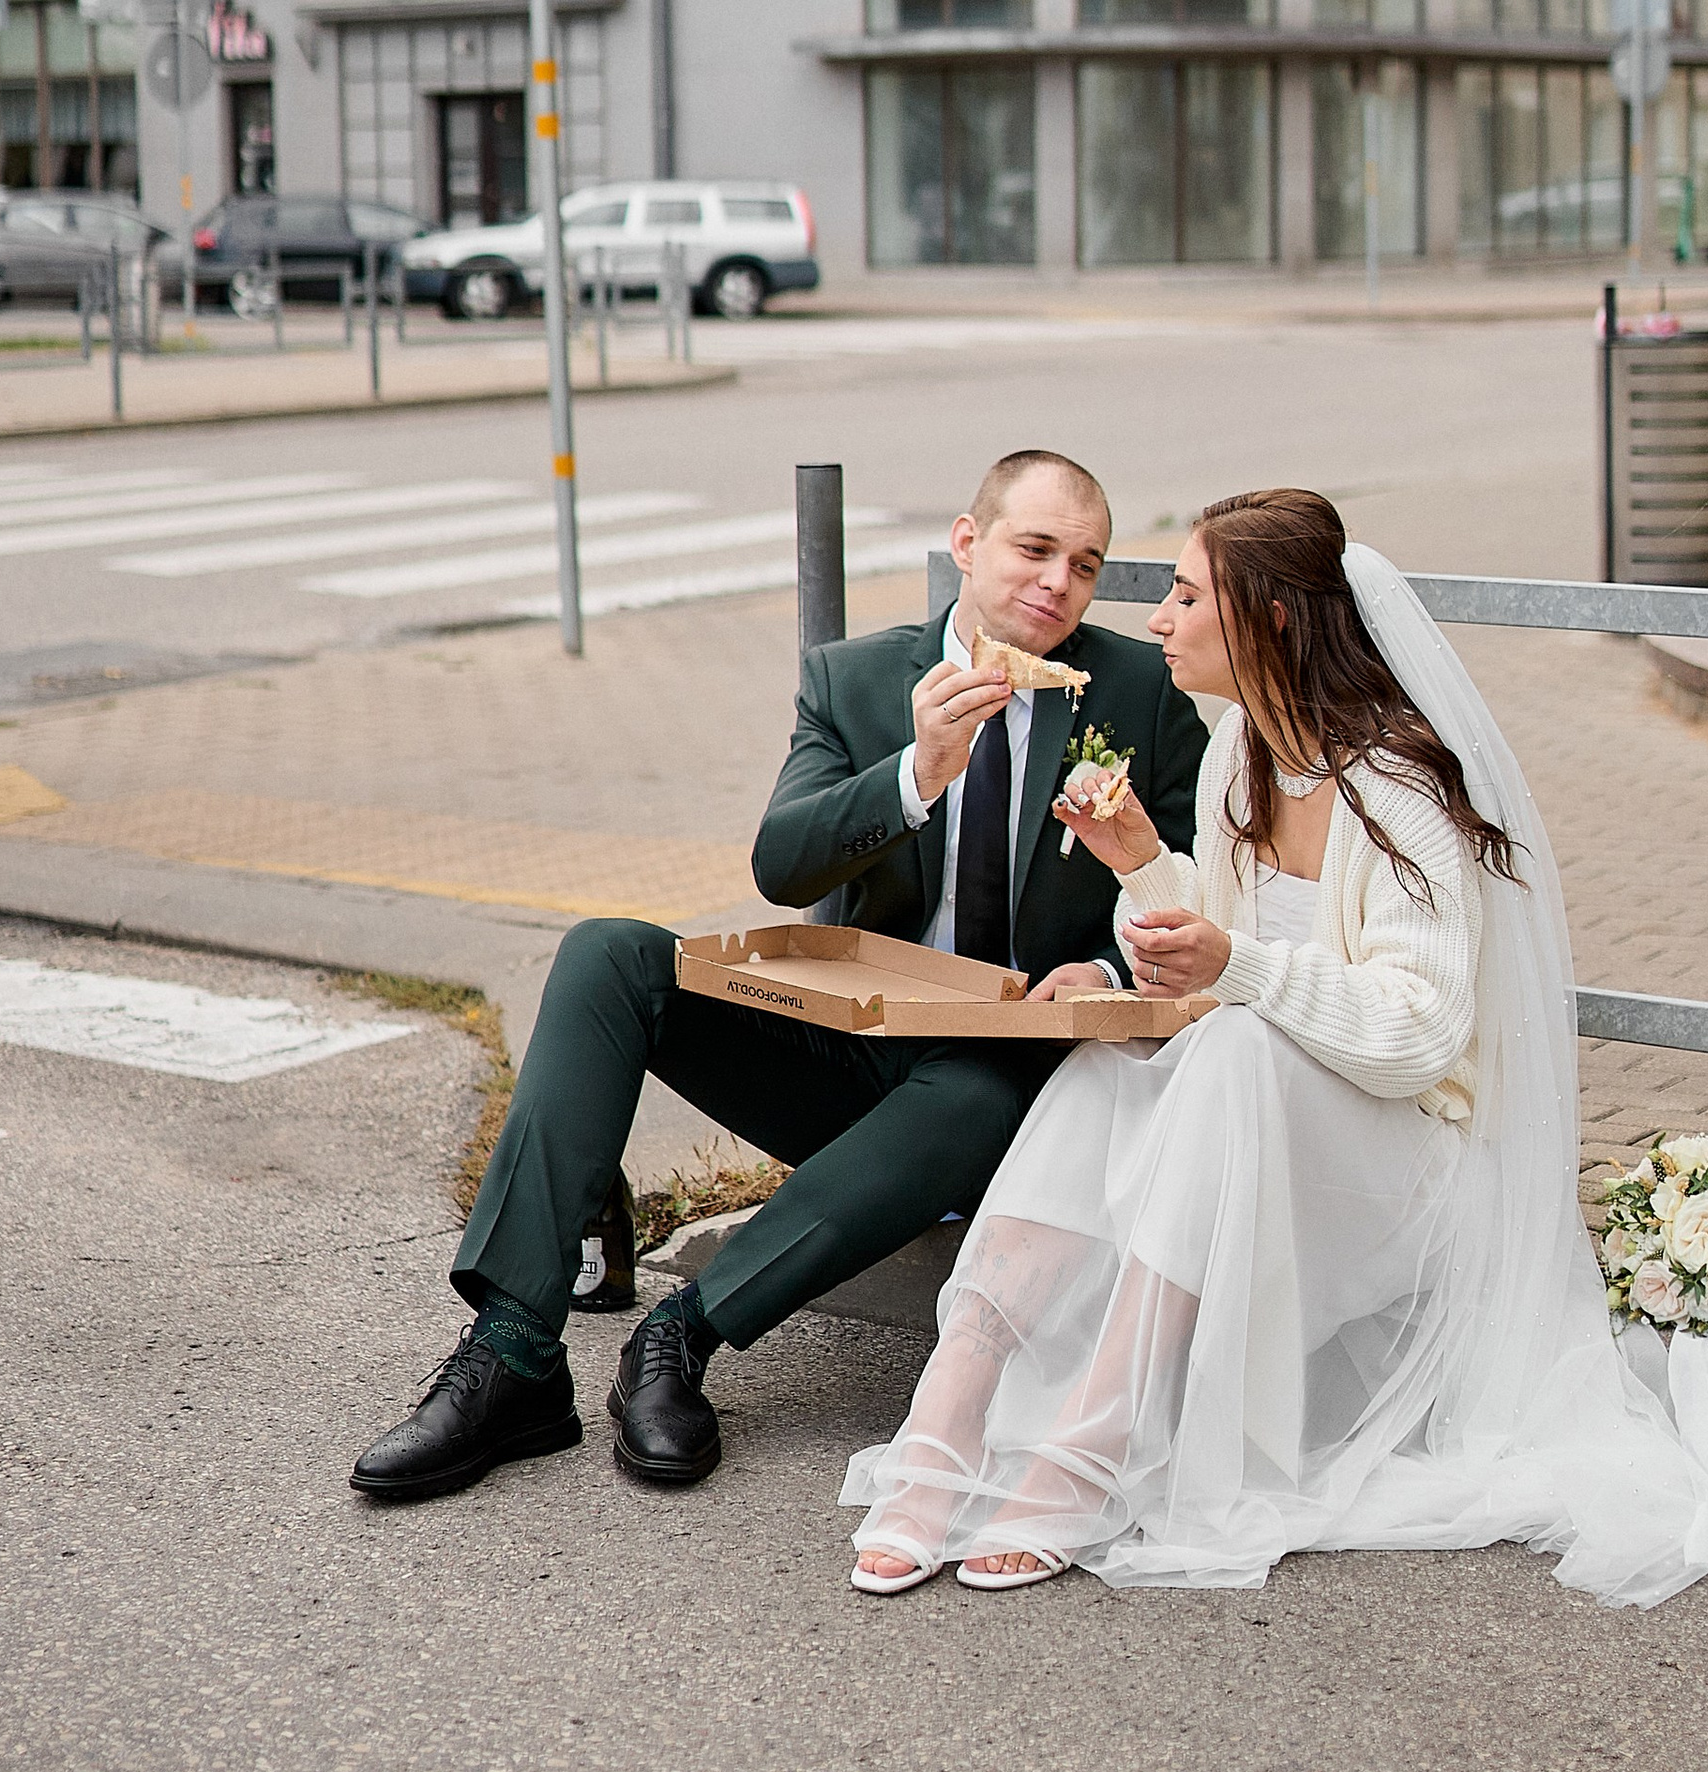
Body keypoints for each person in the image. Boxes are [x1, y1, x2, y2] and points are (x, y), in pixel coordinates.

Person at [845, 486, 1708, 1608]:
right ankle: (946, 1418)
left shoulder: (1401, 787)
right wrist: (1140, 864)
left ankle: (1091, 1449)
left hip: (1405, 1167)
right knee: (1100, 1063)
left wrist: (1230, 964)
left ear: (1271, 620)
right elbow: (1223, 948)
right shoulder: (1240, 752)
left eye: (1188, 597)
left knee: (1237, 1052)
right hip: (1266, 1125)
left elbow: (1416, 1033)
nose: (1158, 619)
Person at [349, 449, 1206, 1504]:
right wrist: (915, 773)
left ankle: (684, 1331)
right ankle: (514, 1349)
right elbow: (782, 863)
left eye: (1084, 564)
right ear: (967, 541)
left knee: (979, 1093)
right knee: (608, 952)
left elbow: (1194, 880)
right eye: (1034, 548)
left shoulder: (1141, 693)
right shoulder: (854, 679)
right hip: (855, 1050)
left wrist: (1111, 963)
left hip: (1002, 1084)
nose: (1057, 582)